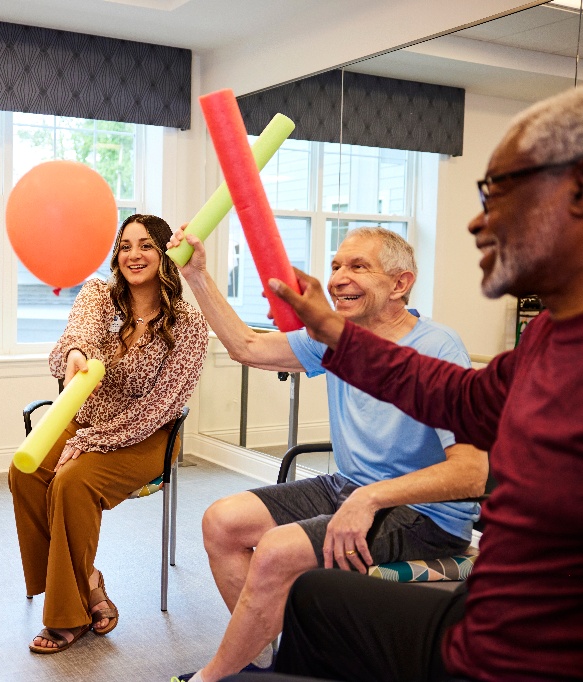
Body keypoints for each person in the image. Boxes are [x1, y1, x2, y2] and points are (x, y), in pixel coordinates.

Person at [236, 82, 583, 682]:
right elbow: (457, 396)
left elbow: (471, 466)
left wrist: (374, 498)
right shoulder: (550, 337)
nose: (477, 221)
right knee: (316, 600)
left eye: (499, 193)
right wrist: (333, 332)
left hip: (527, 654)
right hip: (481, 621)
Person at [167, 227, 488, 681]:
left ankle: (213, 677)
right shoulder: (334, 338)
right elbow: (247, 346)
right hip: (350, 488)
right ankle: (263, 664)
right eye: (336, 266)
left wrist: (372, 499)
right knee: (222, 521)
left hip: (425, 516)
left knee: (277, 550)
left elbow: (473, 474)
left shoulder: (437, 348)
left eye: (358, 267)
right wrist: (197, 275)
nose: (338, 278)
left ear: (400, 284)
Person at [8, 214, 208, 654]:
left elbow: (159, 409)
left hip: (147, 437)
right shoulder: (100, 294)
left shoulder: (189, 325)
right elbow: (74, 335)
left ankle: (68, 616)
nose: (133, 255)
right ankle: (89, 582)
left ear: (165, 253)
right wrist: (77, 352)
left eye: (146, 246)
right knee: (24, 472)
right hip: (88, 420)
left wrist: (84, 444)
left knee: (72, 481)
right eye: (125, 246)